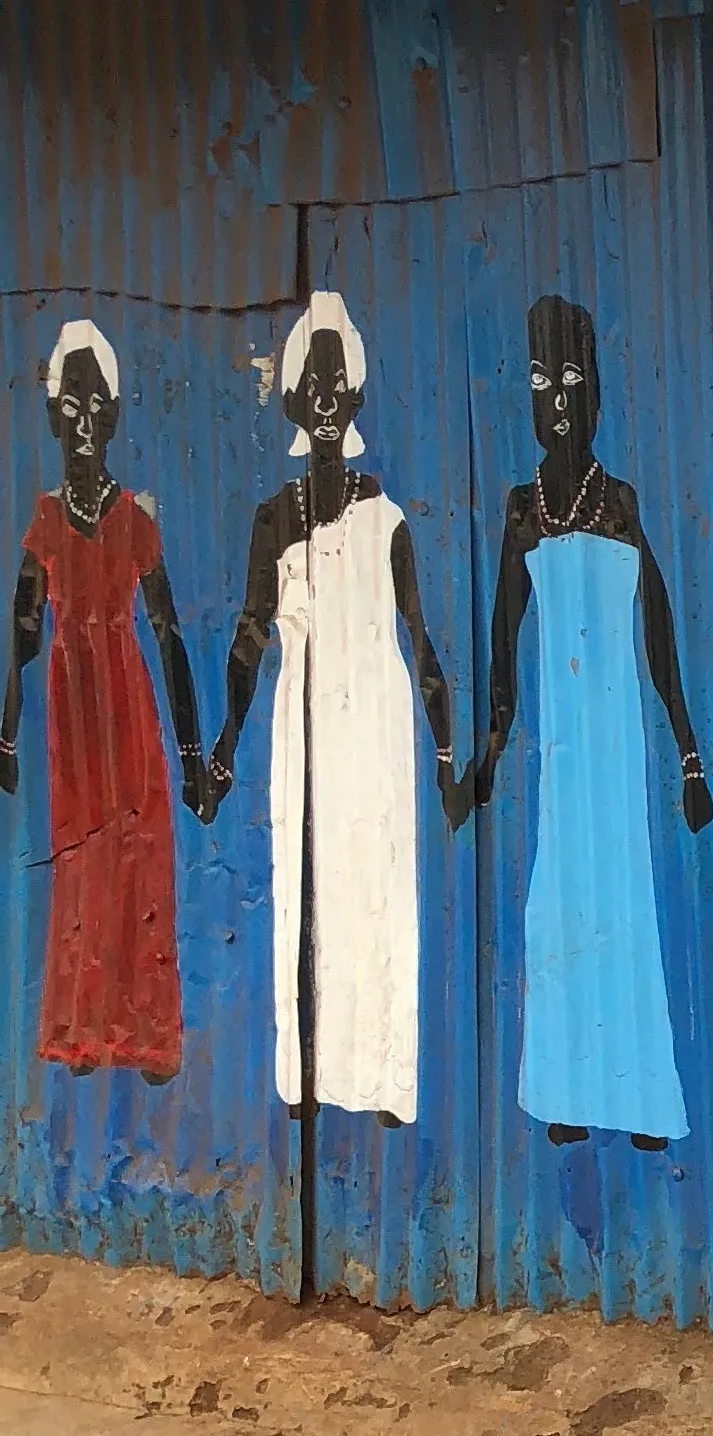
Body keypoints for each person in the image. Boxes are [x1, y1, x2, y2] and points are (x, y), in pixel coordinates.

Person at [450, 295, 713, 1150]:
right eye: (539, 382)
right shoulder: (522, 510)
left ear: (596, 395)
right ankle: (566, 1089)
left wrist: (690, 757)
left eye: (571, 381)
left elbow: (658, 630)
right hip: (562, 753)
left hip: (614, 741)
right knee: (558, 910)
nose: (555, 400)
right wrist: (487, 758)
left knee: (623, 905)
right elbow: (502, 636)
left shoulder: (621, 504)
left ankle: (637, 1101)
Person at [202, 291, 455, 1127]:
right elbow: (248, 637)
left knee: (376, 891)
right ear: (290, 397)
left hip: (375, 729)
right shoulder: (272, 519)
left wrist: (450, 754)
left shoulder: (388, 521)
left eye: (334, 378)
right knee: (308, 896)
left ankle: (384, 1078)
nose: (320, 394)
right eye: (307, 378)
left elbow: (420, 643)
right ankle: (310, 1072)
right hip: (303, 733)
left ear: (352, 394)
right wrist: (225, 747)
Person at [0, 321, 205, 1079]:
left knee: (140, 852)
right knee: (81, 856)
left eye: (96, 407)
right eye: (69, 408)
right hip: (70, 709)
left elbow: (170, 635)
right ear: (54, 419)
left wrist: (191, 753)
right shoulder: (46, 523)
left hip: (125, 699)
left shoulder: (134, 522)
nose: (83, 423)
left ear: (112, 417)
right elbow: (23, 630)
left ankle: (147, 1035)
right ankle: (83, 1029)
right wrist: (8, 732)